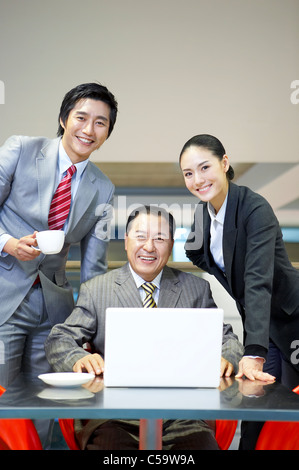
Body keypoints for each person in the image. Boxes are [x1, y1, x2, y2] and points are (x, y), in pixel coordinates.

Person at [45, 205, 243, 451]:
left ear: (171, 245)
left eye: (159, 238)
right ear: (127, 242)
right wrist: (78, 358)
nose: (149, 247)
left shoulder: (196, 289)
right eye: (140, 236)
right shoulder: (97, 289)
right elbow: (59, 339)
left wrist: (226, 357)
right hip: (113, 415)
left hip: (183, 415)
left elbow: (228, 339)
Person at [179, 133, 299, 448]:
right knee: (255, 415)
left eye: (204, 167)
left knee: (291, 417)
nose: (197, 179)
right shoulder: (203, 213)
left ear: (225, 163)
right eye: (189, 173)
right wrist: (228, 275)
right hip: (264, 325)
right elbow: (194, 251)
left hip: (291, 317)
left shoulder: (254, 208)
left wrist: (254, 352)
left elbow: (258, 280)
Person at [0, 82, 118, 390]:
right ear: (64, 119)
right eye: (81, 117)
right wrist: (9, 244)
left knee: (45, 400)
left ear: (107, 134)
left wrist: (92, 331)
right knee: (3, 401)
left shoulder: (104, 188)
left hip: (55, 313)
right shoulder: (21, 150)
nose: (89, 129)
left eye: (100, 122)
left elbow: (95, 269)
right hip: (4, 297)